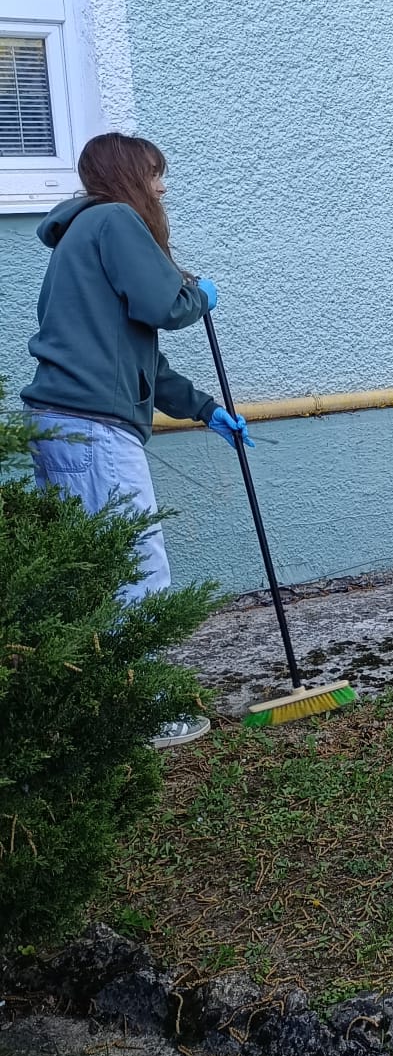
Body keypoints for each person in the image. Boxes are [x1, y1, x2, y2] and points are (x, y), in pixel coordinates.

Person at [21, 132, 252, 746]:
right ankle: (141, 712)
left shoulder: (79, 237)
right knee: (135, 567)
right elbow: (162, 307)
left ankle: (88, 705)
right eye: (154, 174)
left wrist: (205, 410)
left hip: (63, 423)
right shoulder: (115, 220)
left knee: (89, 567)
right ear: (128, 176)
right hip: (93, 430)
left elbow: (139, 357)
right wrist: (197, 297)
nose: (162, 187)